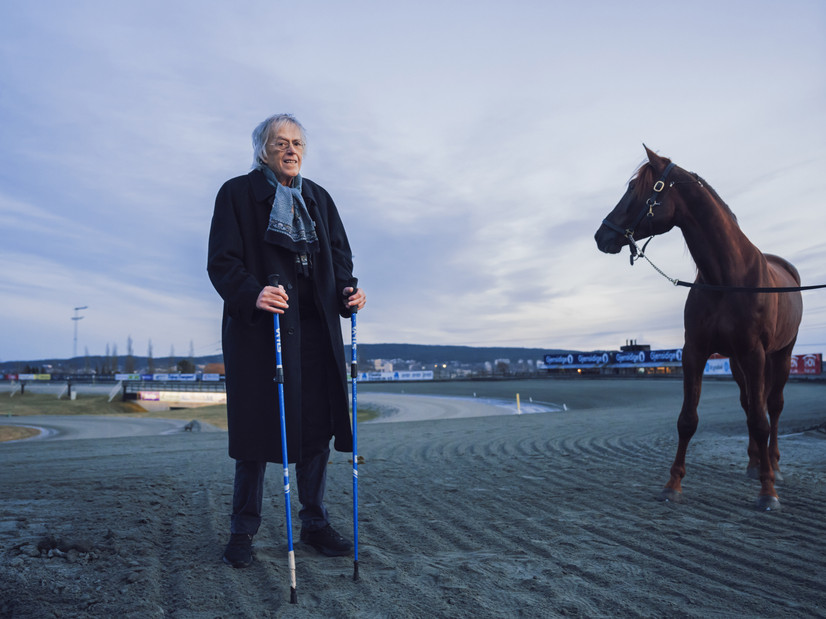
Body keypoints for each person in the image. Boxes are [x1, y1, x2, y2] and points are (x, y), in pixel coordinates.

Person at [207, 113, 367, 568]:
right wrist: (252, 291)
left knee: (316, 430)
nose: (290, 150)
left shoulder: (318, 197)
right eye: (280, 143)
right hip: (263, 332)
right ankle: (242, 532)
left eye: (297, 143)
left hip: (317, 333)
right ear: (263, 149)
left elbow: (339, 258)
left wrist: (347, 292)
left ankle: (314, 524)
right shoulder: (237, 193)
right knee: (258, 430)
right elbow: (221, 261)